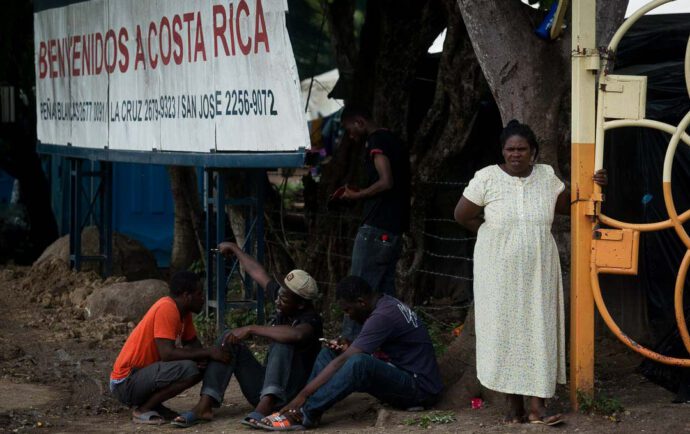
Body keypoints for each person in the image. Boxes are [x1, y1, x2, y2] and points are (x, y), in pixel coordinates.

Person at [453, 120, 607, 425]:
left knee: (540, 330)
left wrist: (595, 184)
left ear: (533, 152)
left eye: (522, 149)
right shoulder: (486, 178)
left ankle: (538, 407)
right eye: (510, 149)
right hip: (497, 270)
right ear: (502, 151)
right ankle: (514, 409)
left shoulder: (547, 177)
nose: (515, 154)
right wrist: (493, 232)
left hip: (539, 269)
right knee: (506, 332)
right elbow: (462, 215)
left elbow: (570, 205)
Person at [257, 275, 443, 431]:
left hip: (419, 390)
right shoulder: (384, 304)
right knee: (329, 354)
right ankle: (307, 411)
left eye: (348, 310)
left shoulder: (382, 316)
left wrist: (302, 394)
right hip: (400, 373)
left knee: (358, 363)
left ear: (361, 302)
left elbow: (349, 359)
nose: (348, 315)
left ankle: (305, 411)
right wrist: (350, 345)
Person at [171, 241, 323, 428]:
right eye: (278, 293)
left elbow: (297, 335)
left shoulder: (311, 320)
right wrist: (235, 249)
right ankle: (204, 406)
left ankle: (264, 409)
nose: (277, 299)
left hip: (290, 396)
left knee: (282, 342)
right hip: (262, 389)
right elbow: (258, 273)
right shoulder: (285, 297)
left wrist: (251, 328)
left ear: (300, 304)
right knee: (228, 338)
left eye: (282, 298)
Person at [109, 271, 231, 425]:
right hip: (125, 382)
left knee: (198, 367)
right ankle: (143, 409)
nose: (202, 299)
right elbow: (167, 353)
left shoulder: (184, 313)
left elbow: (193, 344)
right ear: (187, 296)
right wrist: (208, 352)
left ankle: (154, 405)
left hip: (141, 375)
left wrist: (205, 357)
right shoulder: (167, 308)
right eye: (199, 294)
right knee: (189, 368)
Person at [337, 105, 411, 340]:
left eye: (350, 130)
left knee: (356, 291)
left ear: (359, 121)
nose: (351, 136)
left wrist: (356, 196)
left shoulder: (376, 141)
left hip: (377, 228)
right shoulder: (395, 140)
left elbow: (386, 181)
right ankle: (391, 345)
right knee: (384, 295)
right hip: (393, 229)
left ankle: (348, 346)